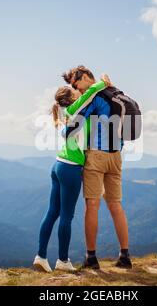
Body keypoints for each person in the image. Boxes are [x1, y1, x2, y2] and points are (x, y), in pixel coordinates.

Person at [33, 74, 112, 273]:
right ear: (72, 98)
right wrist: (103, 83)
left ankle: (41, 256)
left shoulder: (63, 112)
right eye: (76, 92)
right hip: (70, 168)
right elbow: (91, 93)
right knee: (66, 216)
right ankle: (62, 261)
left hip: (58, 164)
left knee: (52, 212)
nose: (79, 92)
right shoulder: (73, 109)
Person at [63, 66, 132, 269]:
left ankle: (91, 258)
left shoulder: (94, 96)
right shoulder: (116, 92)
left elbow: (73, 113)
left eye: (77, 85)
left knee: (92, 205)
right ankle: (125, 256)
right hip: (116, 156)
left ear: (85, 78)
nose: (79, 91)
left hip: (96, 156)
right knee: (116, 205)